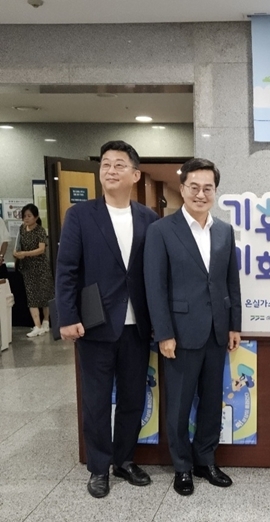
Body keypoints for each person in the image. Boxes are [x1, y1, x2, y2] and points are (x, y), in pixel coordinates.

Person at [55, 140, 158, 498]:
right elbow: (66, 270)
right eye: (106, 164)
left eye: (119, 165)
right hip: (95, 324)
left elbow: (153, 275)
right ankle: (99, 467)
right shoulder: (80, 215)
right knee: (97, 401)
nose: (110, 170)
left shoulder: (148, 219)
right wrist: (67, 317)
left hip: (137, 327)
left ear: (135, 175)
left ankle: (124, 460)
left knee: (132, 398)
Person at [144, 157, 242, 497]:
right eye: (194, 187)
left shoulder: (224, 231)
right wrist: (164, 333)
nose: (201, 194)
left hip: (217, 331)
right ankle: (182, 467)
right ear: (183, 188)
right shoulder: (161, 231)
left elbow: (231, 282)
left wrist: (234, 325)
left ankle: (205, 460)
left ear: (215, 191)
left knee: (212, 402)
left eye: (208, 188)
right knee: (180, 404)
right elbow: (155, 287)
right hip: (180, 334)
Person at [13, 204, 54, 337]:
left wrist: (25, 253)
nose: (26, 218)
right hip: (27, 268)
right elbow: (18, 245)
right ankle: (37, 325)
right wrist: (17, 254)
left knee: (45, 295)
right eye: (24, 216)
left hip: (41, 267)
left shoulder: (40, 230)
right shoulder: (21, 229)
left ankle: (46, 321)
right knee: (32, 297)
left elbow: (41, 249)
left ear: (36, 217)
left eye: (29, 216)